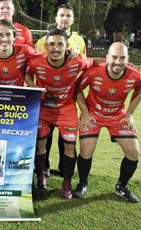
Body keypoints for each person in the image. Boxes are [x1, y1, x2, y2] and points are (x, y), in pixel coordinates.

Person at [25, 29, 103, 198]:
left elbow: (95, 62)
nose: (56, 48)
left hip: (66, 109)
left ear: (67, 46)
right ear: (46, 46)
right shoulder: (37, 62)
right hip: (44, 109)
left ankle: (66, 181)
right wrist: (33, 86)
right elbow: (28, 74)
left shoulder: (77, 61)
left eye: (60, 44)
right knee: (40, 145)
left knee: (69, 146)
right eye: (51, 44)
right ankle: (41, 177)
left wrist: (119, 63)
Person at [73, 42, 141, 203]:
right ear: (107, 58)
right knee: (86, 151)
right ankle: (82, 183)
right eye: (114, 57)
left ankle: (122, 187)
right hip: (93, 115)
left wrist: (129, 114)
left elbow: (139, 91)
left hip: (117, 116)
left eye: (122, 58)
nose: (118, 62)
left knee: (134, 152)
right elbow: (76, 89)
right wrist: (84, 112)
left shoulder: (136, 75)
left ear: (128, 59)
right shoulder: (94, 72)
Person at [35, 4, 87, 178]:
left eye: (68, 16)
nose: (64, 18)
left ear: (73, 19)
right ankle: (44, 168)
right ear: (56, 18)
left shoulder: (79, 41)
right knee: (44, 137)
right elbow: (37, 63)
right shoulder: (43, 41)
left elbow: (84, 64)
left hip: (67, 98)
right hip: (46, 100)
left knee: (65, 139)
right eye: (61, 15)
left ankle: (65, 171)